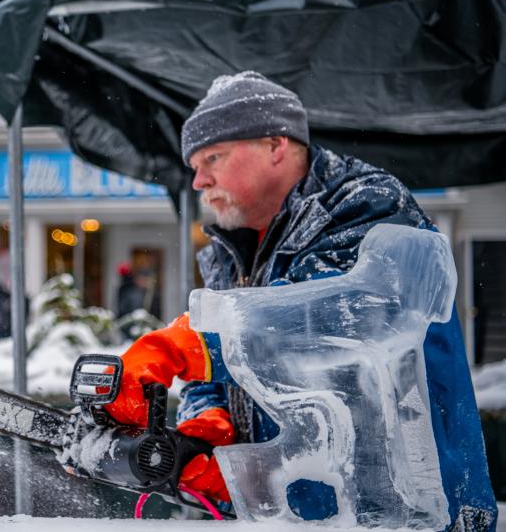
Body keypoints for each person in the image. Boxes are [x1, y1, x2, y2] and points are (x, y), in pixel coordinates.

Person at [100, 72, 496, 528]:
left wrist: (190, 344)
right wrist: (209, 420)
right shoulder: (229, 255)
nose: (198, 180)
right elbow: (218, 374)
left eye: (213, 157)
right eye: (194, 165)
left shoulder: (366, 204)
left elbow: (339, 321)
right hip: (294, 517)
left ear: (275, 146)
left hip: (411, 513)